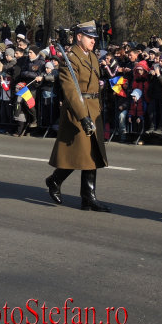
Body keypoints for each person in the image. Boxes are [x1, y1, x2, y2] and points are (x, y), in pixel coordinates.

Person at [45, 21, 111, 212]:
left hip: (93, 107)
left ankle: (88, 197)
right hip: (78, 109)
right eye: (90, 38)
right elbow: (71, 91)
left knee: (91, 154)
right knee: (80, 154)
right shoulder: (69, 58)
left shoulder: (92, 56)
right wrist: (83, 116)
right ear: (79, 37)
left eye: (95, 39)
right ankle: (55, 180)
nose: (93, 41)